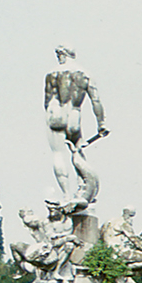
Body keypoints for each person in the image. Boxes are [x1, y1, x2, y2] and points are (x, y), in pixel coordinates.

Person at [46, 46, 107, 212]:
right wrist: (101, 124)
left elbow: (47, 101)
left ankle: (66, 195)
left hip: (56, 115)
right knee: (78, 150)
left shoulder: (52, 73)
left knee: (58, 154)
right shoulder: (84, 74)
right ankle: (82, 187)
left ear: (63, 54)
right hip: (74, 116)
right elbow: (96, 101)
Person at [99, 207, 142, 275]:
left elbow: (100, 234)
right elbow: (137, 242)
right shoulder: (124, 223)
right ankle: (124, 271)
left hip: (107, 251)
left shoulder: (110, 221)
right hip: (118, 252)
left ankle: (122, 269)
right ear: (130, 216)